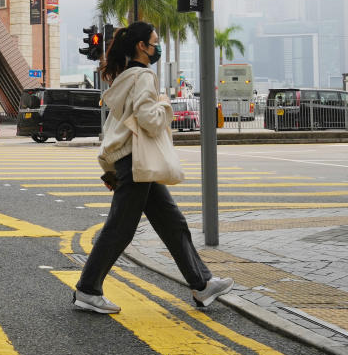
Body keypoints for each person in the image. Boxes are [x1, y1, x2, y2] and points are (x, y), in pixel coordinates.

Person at [73, 21, 234, 314]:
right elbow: (149, 119)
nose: (157, 47)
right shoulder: (144, 76)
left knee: (173, 223)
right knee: (119, 229)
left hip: (133, 162)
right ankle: (87, 290)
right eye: (154, 42)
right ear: (142, 47)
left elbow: (117, 124)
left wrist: (110, 165)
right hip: (136, 162)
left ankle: (201, 285)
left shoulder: (125, 77)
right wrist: (166, 107)